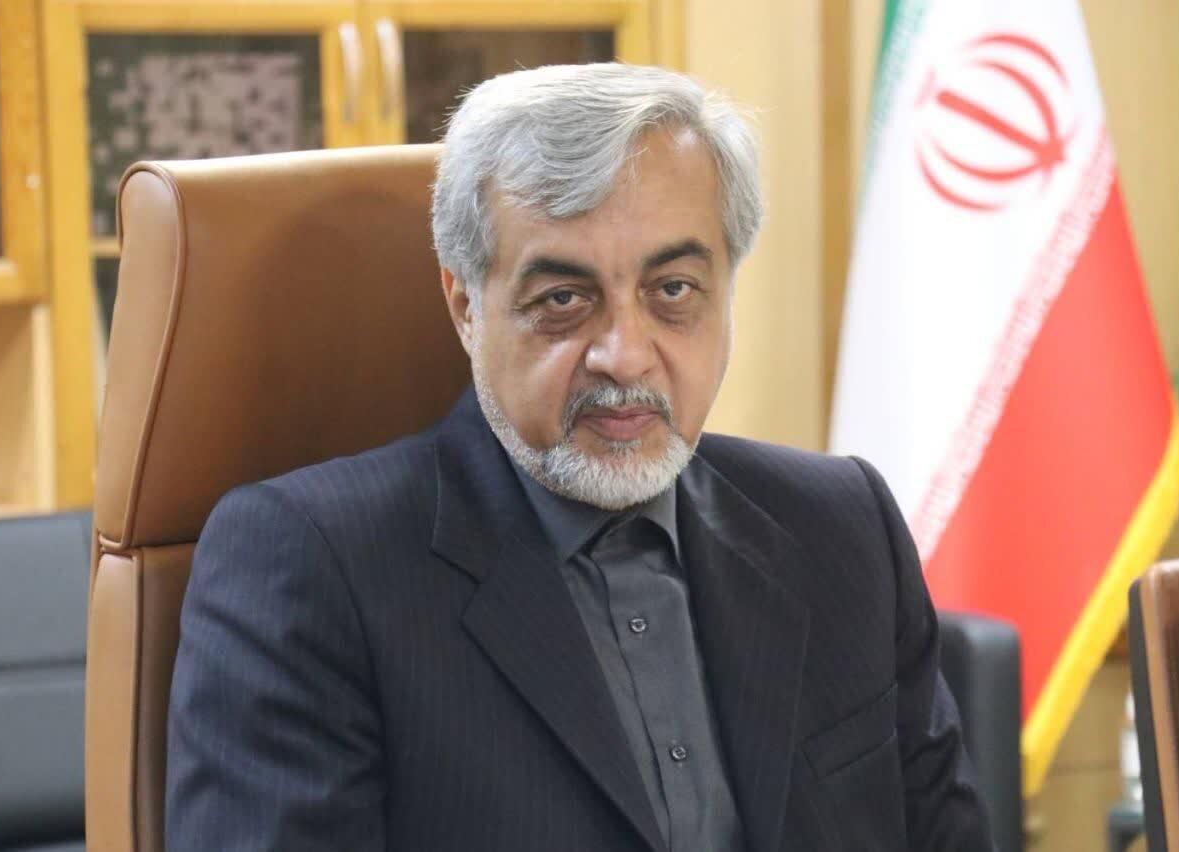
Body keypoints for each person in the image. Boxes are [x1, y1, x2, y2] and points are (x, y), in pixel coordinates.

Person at [165, 63, 993, 851]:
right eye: (563, 299)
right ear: (465, 305)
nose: (625, 356)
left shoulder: (841, 526)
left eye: (673, 291)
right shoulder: (310, 567)